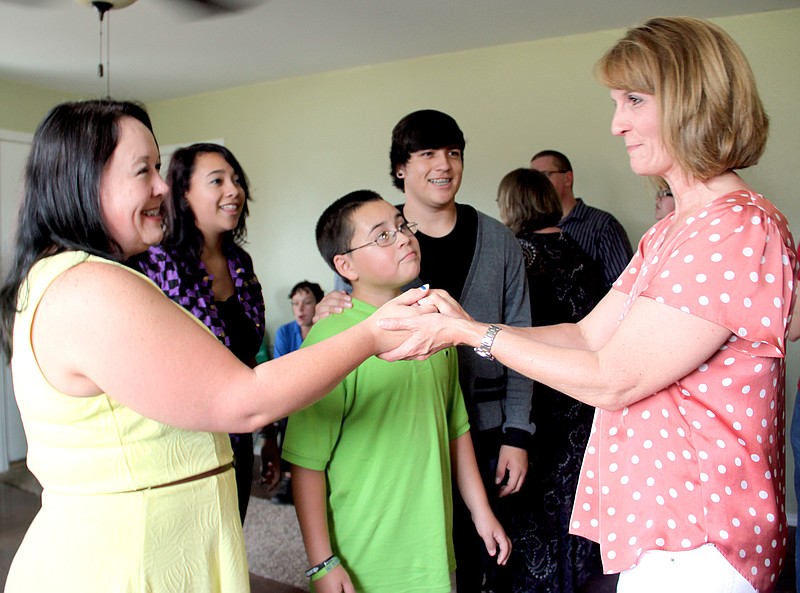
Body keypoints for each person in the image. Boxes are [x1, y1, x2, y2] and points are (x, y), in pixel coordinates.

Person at [378, 17, 795, 593]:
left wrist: (473, 337)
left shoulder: (733, 228)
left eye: (633, 100)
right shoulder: (675, 229)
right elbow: (585, 335)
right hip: (664, 527)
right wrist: (466, 325)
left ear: (689, 101)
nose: (617, 122)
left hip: (702, 532)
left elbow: (613, 378)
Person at [0, 99, 428, 593]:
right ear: (83, 181)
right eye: (145, 171)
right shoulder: (88, 288)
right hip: (125, 563)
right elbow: (241, 399)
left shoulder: (83, 278)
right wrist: (372, 333)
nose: (162, 187)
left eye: (159, 168)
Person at [318, 109, 533, 592]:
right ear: (401, 168)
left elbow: (520, 336)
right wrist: (332, 309)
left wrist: (518, 433)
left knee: (481, 557)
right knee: (415, 553)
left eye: (454, 153)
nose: (445, 164)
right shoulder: (378, 248)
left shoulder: (498, 241)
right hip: (405, 432)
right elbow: (353, 325)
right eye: (428, 154)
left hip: (483, 427)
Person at [283, 189, 510, 593]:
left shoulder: (437, 323)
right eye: (382, 235)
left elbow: (455, 429)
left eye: (402, 226)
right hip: (365, 559)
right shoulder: (331, 338)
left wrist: (481, 512)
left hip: (435, 552)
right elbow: (306, 463)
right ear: (345, 264)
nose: (404, 237)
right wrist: (322, 562)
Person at [133, 142, 263, 524]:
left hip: (236, 438)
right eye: (217, 181)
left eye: (236, 180)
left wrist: (266, 437)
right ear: (183, 194)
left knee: (230, 544)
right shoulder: (156, 262)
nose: (233, 190)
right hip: (178, 443)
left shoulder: (240, 262)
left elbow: (247, 361)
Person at [495, 168, 605, 593]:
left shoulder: (520, 256)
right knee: (574, 502)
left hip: (536, 395)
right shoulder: (580, 252)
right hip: (583, 396)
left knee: (531, 507)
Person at [530, 149, 633, 290]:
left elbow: (622, 285)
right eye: (533, 178)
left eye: (544, 176)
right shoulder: (531, 227)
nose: (537, 185)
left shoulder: (603, 225)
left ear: (567, 178)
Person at [264, 280, 325, 504]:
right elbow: (282, 371)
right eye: (295, 303)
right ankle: (289, 479)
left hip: (325, 395)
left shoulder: (326, 330)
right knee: (288, 416)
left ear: (318, 304)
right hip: (295, 397)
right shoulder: (285, 332)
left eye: (307, 303)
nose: (300, 309)